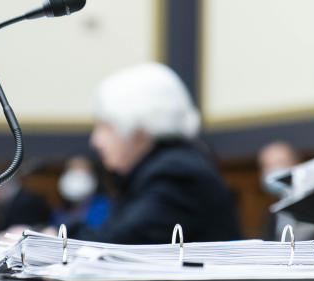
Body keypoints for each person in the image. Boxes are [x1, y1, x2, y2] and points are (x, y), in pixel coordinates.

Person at [68, 62, 241, 244]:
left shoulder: (176, 175)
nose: (94, 141)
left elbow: (120, 246)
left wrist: (58, 239)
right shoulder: (155, 172)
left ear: (138, 130)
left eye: (105, 126)